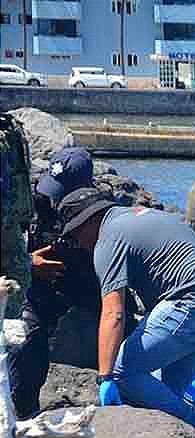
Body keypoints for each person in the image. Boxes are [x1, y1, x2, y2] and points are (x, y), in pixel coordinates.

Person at [57, 188, 195, 432]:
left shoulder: (108, 239)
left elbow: (114, 313)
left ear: (88, 221)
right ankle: (187, 437)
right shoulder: (142, 215)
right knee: (164, 395)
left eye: (75, 235)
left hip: (193, 307)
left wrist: (105, 376)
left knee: (123, 372)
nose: (78, 244)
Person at [8, 147, 112, 418]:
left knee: (121, 336)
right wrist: (28, 263)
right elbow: (6, 248)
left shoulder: (103, 211)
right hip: (41, 293)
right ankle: (23, 413)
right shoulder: (30, 201)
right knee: (25, 342)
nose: (53, 198)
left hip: (92, 292)